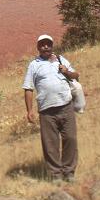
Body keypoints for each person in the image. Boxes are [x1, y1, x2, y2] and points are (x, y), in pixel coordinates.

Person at [22, 34, 79, 181]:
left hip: (66, 105)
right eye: (42, 44)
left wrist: (66, 71)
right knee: (50, 144)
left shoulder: (61, 59)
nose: (45, 46)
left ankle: (69, 172)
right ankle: (56, 175)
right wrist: (29, 110)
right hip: (46, 111)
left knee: (71, 139)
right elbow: (28, 88)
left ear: (52, 46)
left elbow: (76, 75)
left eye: (48, 44)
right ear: (38, 47)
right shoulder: (34, 65)